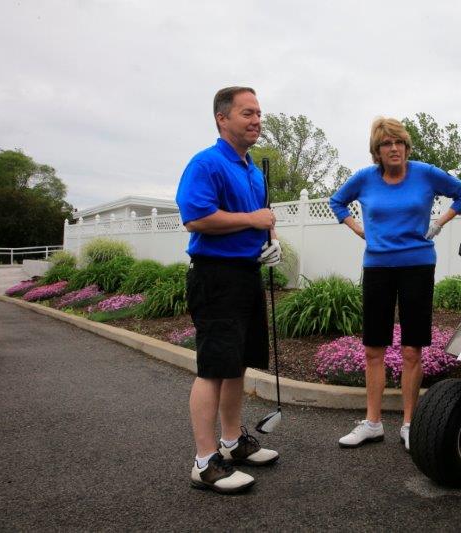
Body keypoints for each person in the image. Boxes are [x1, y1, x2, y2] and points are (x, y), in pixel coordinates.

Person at [330, 117, 461, 451]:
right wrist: (358, 229)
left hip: (417, 266)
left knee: (412, 349)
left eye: (399, 142)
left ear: (407, 147)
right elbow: (336, 201)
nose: (393, 148)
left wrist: (439, 223)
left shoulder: (425, 173)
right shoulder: (365, 179)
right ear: (377, 151)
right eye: (386, 143)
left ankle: (410, 424)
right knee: (373, 348)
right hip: (378, 267)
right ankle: (372, 423)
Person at [175, 86, 283, 494]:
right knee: (214, 369)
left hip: (246, 275)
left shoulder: (252, 169)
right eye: (247, 113)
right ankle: (204, 463)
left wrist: (272, 239)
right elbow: (196, 217)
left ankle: (233, 442)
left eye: (258, 113)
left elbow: (262, 218)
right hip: (216, 277)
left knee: (237, 365)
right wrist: (254, 220)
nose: (257, 120)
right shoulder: (207, 163)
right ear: (222, 119)